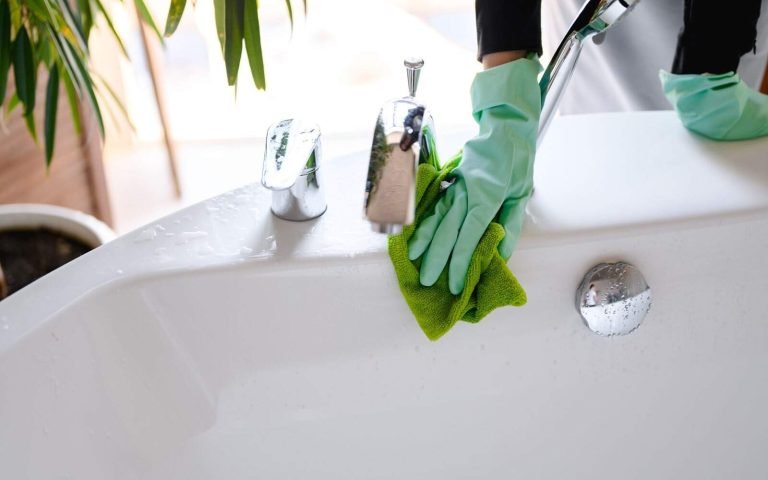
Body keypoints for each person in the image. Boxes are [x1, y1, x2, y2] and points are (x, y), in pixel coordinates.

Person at [408, 0, 768, 295]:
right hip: (592, 18)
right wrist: (505, 100)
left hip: (727, 20)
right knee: (592, 164)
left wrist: (712, 59)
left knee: (707, 179)